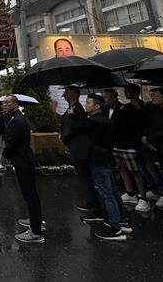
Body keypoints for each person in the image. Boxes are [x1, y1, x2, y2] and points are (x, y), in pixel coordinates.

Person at [84, 94, 130, 241]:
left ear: (97, 106)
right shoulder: (106, 121)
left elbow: (79, 125)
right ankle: (122, 220)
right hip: (107, 158)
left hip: (99, 160)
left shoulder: (93, 121)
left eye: (88, 102)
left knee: (107, 194)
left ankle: (115, 228)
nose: (86, 105)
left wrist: (73, 115)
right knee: (113, 192)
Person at [2, 95, 45, 244]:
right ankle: (35, 220)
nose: (5, 105)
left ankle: (36, 231)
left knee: (30, 194)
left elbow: (12, 142)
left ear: (15, 104)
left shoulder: (17, 120)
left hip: (22, 160)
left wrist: (5, 154)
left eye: (8, 102)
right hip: (22, 158)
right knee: (29, 194)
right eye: (4, 102)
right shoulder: (16, 118)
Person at [105, 88, 150, 213]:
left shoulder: (128, 108)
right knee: (121, 168)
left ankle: (143, 197)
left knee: (135, 170)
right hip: (116, 144)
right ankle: (130, 192)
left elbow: (137, 123)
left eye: (107, 97)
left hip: (128, 144)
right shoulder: (110, 110)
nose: (105, 100)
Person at [60, 86, 100, 215]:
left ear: (74, 94)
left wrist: (64, 139)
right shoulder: (70, 109)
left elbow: (74, 128)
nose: (64, 95)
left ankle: (94, 206)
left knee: (85, 177)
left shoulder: (77, 109)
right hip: (74, 146)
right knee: (83, 178)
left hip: (79, 148)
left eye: (67, 93)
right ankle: (90, 202)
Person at [143, 88, 163, 209]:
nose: (153, 98)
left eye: (155, 96)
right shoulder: (155, 110)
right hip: (159, 149)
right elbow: (149, 124)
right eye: (152, 95)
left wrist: (150, 138)